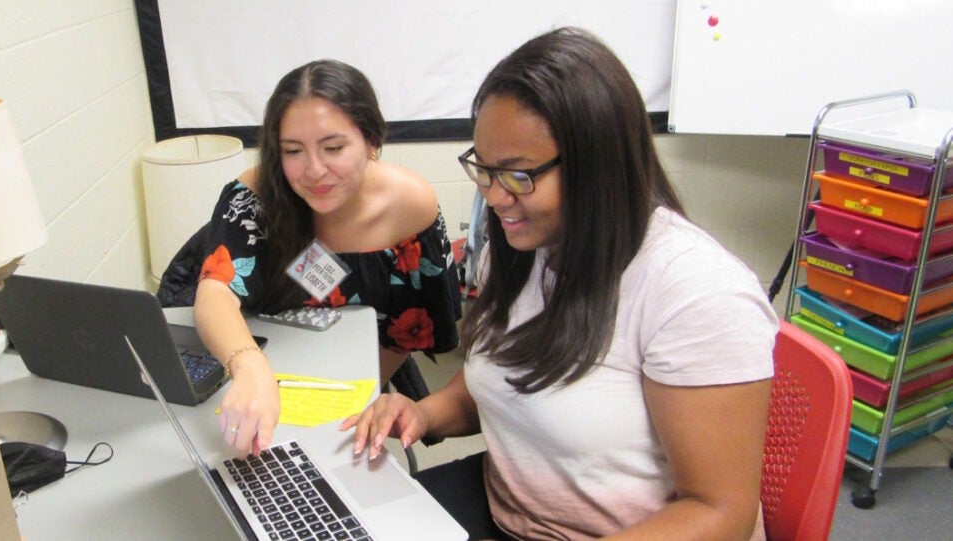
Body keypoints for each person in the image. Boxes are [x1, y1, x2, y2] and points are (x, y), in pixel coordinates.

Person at [342, 27, 777, 540]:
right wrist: (420, 412)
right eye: (484, 169)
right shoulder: (522, 247)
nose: (496, 197)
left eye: (519, 175)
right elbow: (499, 386)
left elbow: (719, 512)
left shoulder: (696, 293)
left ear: (599, 165)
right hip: (505, 511)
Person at [179, 60, 462, 458]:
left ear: (372, 140)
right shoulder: (256, 194)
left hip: (346, 382)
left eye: (333, 148)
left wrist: (350, 404)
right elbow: (213, 293)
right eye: (293, 151)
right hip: (249, 369)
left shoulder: (409, 206)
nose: (314, 171)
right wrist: (250, 367)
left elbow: (407, 331)